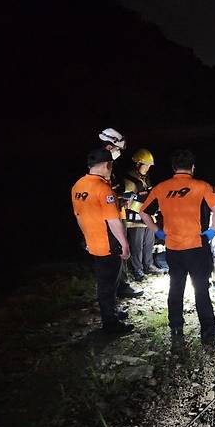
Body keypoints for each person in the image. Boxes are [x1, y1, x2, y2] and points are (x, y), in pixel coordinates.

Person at [139, 149, 215, 344]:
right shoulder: (202, 186)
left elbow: (144, 212)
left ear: (173, 168)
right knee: (201, 288)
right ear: (192, 168)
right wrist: (211, 232)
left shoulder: (161, 187)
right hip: (196, 246)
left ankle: (176, 330)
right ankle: (208, 332)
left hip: (173, 248)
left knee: (175, 287)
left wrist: (157, 231)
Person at [71, 149, 134, 334]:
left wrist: (86, 238)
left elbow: (78, 216)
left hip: (93, 242)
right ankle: (110, 324)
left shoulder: (78, 186)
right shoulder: (103, 188)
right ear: (107, 165)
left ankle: (111, 312)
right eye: (111, 166)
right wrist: (124, 243)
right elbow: (113, 220)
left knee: (104, 282)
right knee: (109, 284)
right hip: (108, 243)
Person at [97, 127, 143, 299]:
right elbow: (104, 194)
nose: (119, 153)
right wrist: (119, 197)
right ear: (110, 147)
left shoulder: (110, 165)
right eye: (118, 149)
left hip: (117, 211)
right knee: (117, 251)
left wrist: (122, 197)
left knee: (119, 252)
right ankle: (117, 290)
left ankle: (121, 285)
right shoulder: (101, 166)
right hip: (110, 216)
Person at [124, 148, 164, 281]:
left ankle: (149, 265)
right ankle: (137, 269)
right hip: (135, 216)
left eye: (149, 166)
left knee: (149, 242)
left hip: (149, 215)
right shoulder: (129, 178)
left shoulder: (146, 178)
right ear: (138, 164)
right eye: (145, 165)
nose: (147, 168)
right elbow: (127, 198)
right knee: (137, 244)